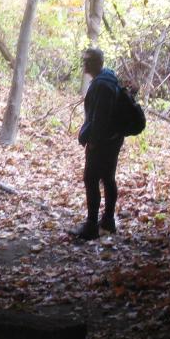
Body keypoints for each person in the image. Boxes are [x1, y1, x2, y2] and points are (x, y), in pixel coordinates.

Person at [72, 48, 125, 241]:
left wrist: (93, 141)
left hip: (102, 142)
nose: (83, 64)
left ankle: (91, 225)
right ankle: (108, 220)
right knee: (108, 178)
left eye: (86, 60)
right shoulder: (109, 78)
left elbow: (99, 118)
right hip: (114, 139)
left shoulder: (101, 85)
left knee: (91, 179)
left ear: (93, 63)